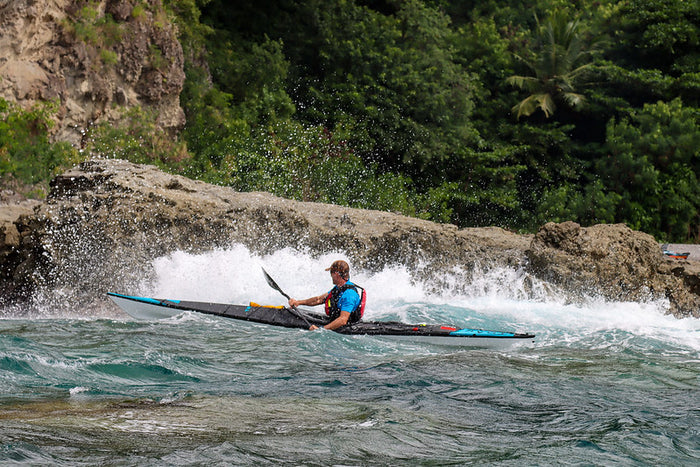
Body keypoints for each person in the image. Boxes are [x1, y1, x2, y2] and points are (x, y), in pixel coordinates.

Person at [288, 260, 365, 331]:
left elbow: (343, 320)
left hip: (348, 325)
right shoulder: (339, 288)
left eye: (331, 273)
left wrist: (320, 329)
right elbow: (319, 299)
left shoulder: (349, 294)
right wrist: (298, 302)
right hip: (337, 319)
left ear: (336, 274)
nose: (330, 276)